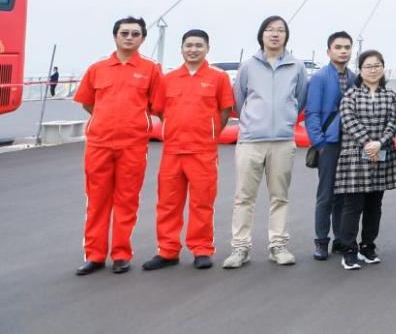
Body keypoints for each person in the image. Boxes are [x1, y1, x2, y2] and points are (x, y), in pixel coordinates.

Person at [74, 17, 164, 275]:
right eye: (124, 33)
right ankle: (94, 255)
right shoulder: (97, 69)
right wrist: (105, 120)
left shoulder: (151, 70)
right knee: (97, 201)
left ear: (142, 39)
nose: (129, 37)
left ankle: (121, 254)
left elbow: (157, 106)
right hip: (99, 144)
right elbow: (88, 103)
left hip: (133, 145)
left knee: (127, 201)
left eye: (135, 34)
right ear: (115, 36)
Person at [143, 29, 235, 272]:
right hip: (173, 151)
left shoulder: (218, 77)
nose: (193, 49)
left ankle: (201, 249)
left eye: (198, 45)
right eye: (189, 45)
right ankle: (167, 250)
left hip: (203, 151)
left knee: (202, 202)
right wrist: (174, 129)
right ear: (182, 48)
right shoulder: (168, 79)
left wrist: (211, 133)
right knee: (168, 203)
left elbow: (225, 110)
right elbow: (160, 110)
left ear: (207, 48)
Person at [223, 15, 309, 269]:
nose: (275, 34)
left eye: (280, 30)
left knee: (279, 196)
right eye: (270, 29)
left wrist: (286, 120)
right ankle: (240, 248)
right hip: (251, 140)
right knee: (243, 197)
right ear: (261, 35)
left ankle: (278, 246)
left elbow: (300, 98)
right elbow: (240, 99)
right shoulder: (248, 66)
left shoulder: (297, 67)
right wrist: (253, 122)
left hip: (282, 140)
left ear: (286, 36)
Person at [334, 50, 396, 270]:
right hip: (355, 155)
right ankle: (349, 249)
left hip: (381, 153)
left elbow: (394, 122)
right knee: (353, 205)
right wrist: (368, 143)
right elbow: (349, 121)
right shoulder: (350, 95)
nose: (373, 70)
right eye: (368, 66)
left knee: (375, 204)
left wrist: (379, 143)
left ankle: (368, 246)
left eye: (377, 66)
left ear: (383, 68)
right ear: (360, 70)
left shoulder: (390, 95)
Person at [304, 31, 355, 261]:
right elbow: (312, 113)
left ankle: (340, 239)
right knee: (326, 194)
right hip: (328, 143)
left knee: (344, 194)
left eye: (347, 47)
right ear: (329, 51)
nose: (343, 51)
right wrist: (320, 143)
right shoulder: (320, 78)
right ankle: (321, 241)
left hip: (349, 143)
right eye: (338, 47)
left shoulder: (354, 77)